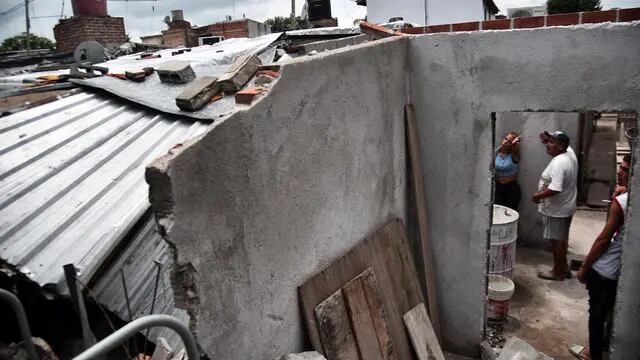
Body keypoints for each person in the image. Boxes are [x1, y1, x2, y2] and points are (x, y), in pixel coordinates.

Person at [569, 154, 630, 360]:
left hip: (605, 269)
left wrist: (585, 266)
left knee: (596, 315)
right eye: (620, 167)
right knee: (609, 313)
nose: (620, 172)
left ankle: (593, 354)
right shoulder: (628, 198)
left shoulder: (621, 202)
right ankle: (603, 345)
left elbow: (603, 239)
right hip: (620, 271)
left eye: (626, 169)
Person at [532, 130, 578, 281]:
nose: (548, 145)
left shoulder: (559, 163)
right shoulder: (569, 153)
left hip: (556, 209)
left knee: (556, 240)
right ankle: (563, 267)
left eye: (552, 142)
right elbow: (561, 143)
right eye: (549, 141)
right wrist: (549, 140)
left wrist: (537, 196)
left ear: (561, 146)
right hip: (566, 206)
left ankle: (557, 272)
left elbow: (555, 188)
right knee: (562, 239)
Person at [495, 131, 522, 210]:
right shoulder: (496, 153)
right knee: (497, 211)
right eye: (505, 139)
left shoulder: (514, 155)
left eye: (509, 141)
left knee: (511, 212)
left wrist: (514, 144)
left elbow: (516, 150)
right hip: (498, 187)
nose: (506, 142)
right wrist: (502, 146)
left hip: (511, 188)